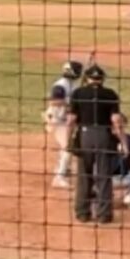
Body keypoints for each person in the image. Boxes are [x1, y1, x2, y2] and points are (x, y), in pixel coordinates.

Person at [66, 63, 125, 224]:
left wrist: (68, 140)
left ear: (87, 78)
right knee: (104, 175)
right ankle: (104, 215)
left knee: (84, 176)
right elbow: (116, 121)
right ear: (102, 79)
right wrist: (123, 142)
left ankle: (82, 213)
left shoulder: (78, 93)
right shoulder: (110, 94)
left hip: (85, 136)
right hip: (104, 136)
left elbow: (71, 120)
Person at [44, 59, 83, 188]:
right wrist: (70, 103)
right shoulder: (61, 85)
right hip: (56, 120)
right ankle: (59, 178)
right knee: (68, 146)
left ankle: (61, 168)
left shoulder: (72, 84)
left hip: (62, 120)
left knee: (67, 145)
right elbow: (53, 102)